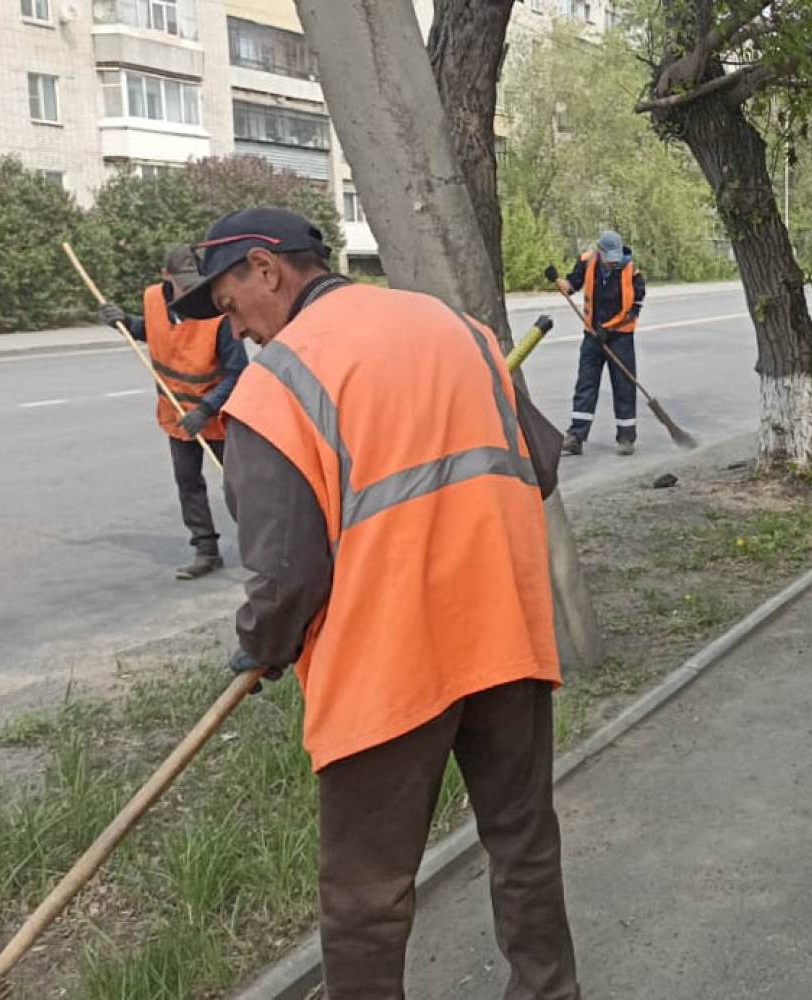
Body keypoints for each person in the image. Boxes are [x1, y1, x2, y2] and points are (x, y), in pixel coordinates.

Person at [172, 208, 580, 1000]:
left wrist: (262, 643)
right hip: (504, 633)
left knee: (365, 898)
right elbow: (541, 464)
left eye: (229, 306)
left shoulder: (279, 381)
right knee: (523, 843)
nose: (236, 330)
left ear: (267, 269)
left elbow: (285, 576)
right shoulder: (457, 330)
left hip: (391, 665)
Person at [98, 244, 249, 579]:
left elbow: (238, 372)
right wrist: (125, 322)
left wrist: (206, 409)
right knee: (188, 482)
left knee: (240, 486)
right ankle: (205, 550)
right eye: (184, 282)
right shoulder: (154, 299)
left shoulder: (218, 313)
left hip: (218, 416)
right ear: (166, 274)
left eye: (196, 281)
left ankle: (266, 551)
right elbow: (155, 332)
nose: (192, 290)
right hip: (176, 413)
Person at [556, 230, 645, 456]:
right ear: (600, 252)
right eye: (609, 257)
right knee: (585, 384)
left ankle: (626, 438)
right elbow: (572, 285)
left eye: (616, 257)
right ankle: (576, 436)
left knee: (624, 386)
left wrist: (609, 328)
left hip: (620, 337)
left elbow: (634, 308)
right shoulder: (587, 262)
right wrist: (559, 281)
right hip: (592, 336)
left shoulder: (632, 271)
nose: (613, 262)